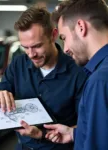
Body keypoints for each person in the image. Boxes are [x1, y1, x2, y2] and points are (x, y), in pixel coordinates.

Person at [0, 6, 87, 150]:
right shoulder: (18, 64)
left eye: (37, 46)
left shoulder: (78, 72)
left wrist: (42, 133)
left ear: (53, 35)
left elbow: (85, 123)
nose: (31, 54)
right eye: (25, 47)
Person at [44, 0, 108, 150]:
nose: (65, 49)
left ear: (80, 27)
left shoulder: (100, 80)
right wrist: (74, 133)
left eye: (64, 38)